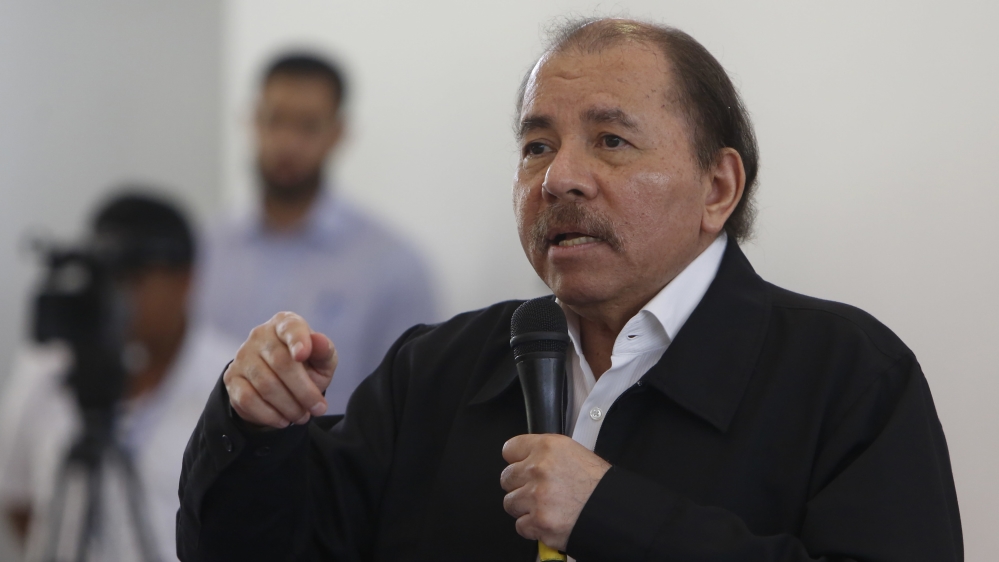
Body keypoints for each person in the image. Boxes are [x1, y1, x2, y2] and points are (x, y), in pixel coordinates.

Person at [177, 19, 963, 561]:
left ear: (717, 187)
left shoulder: (846, 374)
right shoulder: (438, 371)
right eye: (535, 145)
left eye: (611, 141)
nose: (558, 178)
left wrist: (614, 517)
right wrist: (253, 431)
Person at [0, 192, 240, 561]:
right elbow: (18, 499)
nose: (120, 295)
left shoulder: (231, 378)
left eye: (135, 279)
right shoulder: (48, 366)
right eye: (108, 278)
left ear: (186, 279)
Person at [193, 52, 437, 414]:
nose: (287, 142)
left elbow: (414, 404)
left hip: (332, 467)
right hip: (209, 461)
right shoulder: (205, 249)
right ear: (252, 121)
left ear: (338, 133)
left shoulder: (392, 266)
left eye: (308, 126)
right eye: (275, 120)